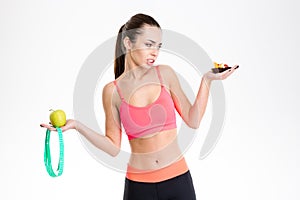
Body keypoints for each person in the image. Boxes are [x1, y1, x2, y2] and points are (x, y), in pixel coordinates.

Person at [40, 13, 238, 200]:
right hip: (139, 187)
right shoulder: (112, 91)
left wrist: (207, 80)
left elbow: (193, 120)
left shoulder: (165, 74)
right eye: (149, 44)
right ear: (128, 43)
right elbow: (112, 147)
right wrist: (76, 125)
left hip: (178, 182)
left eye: (159, 46)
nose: (155, 52)